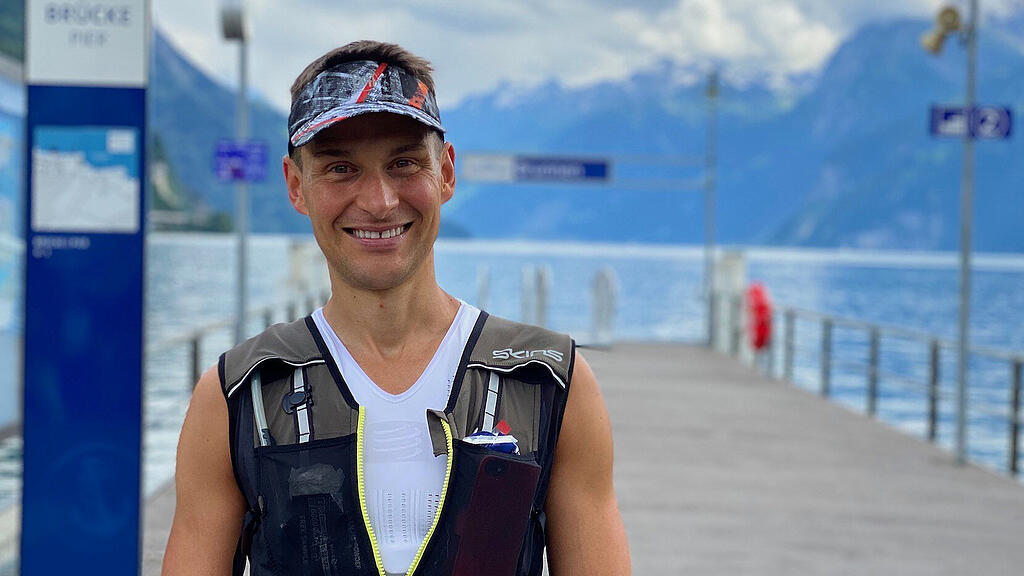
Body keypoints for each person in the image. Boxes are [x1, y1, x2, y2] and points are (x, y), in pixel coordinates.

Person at [163, 40, 630, 576]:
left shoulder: (550, 382)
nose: (380, 201)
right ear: (296, 186)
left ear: (445, 172)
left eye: (404, 164)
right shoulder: (239, 394)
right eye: (341, 168)